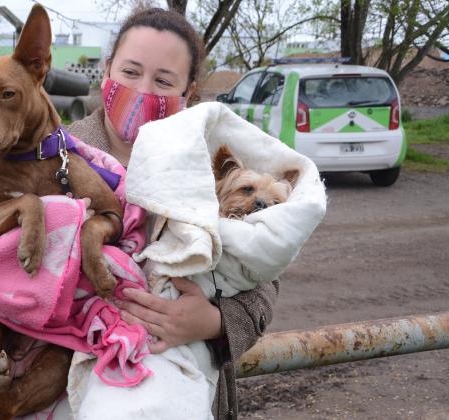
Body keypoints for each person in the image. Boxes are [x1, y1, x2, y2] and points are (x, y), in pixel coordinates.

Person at [67, 8, 278, 419]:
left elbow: (264, 280)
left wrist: (213, 322)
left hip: (181, 389)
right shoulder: (58, 153)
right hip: (61, 384)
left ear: (189, 91)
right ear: (107, 70)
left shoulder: (209, 166)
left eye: (163, 81)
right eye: (130, 71)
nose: (143, 89)